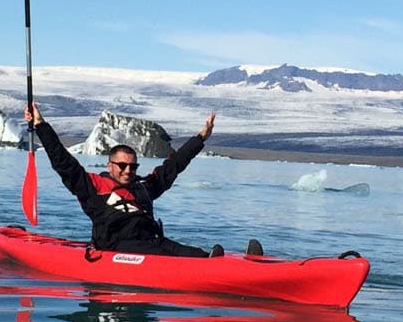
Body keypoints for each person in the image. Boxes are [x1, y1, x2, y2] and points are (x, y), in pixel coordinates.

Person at [24, 103, 259, 258]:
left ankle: (230, 264)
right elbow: (63, 162)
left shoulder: (143, 189)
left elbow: (172, 167)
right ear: (110, 165)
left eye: (133, 166)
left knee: (192, 252)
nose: (128, 170)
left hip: (152, 242)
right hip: (117, 249)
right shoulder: (94, 187)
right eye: (122, 166)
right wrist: (41, 126)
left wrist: (200, 138)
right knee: (161, 252)